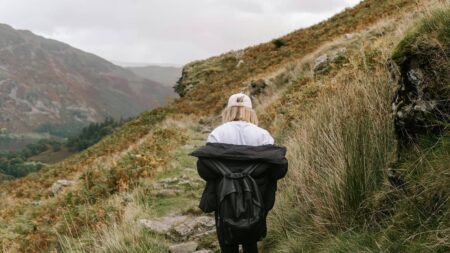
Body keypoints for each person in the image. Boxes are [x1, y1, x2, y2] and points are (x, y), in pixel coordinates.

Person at [191, 93, 288, 253]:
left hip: (225, 196)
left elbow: (205, 171)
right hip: (256, 197)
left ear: (228, 111)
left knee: (227, 242)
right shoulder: (263, 135)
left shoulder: (217, 134)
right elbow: (278, 170)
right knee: (251, 240)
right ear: (250, 112)